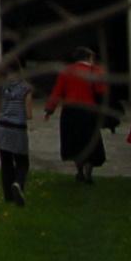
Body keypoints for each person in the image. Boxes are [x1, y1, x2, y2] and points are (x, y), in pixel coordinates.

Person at [43, 46, 110, 183]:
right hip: (88, 111)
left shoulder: (66, 71)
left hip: (70, 111)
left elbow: (57, 92)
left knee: (75, 142)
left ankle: (79, 171)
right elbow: (102, 92)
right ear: (89, 57)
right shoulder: (96, 71)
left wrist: (49, 109)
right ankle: (89, 174)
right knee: (91, 142)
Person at [0, 59, 34, 205]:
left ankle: (8, 196)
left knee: (6, 162)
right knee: (22, 161)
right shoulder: (25, 88)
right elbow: (29, 114)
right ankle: (18, 183)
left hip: (3, 127)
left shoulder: (0, 87)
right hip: (18, 128)